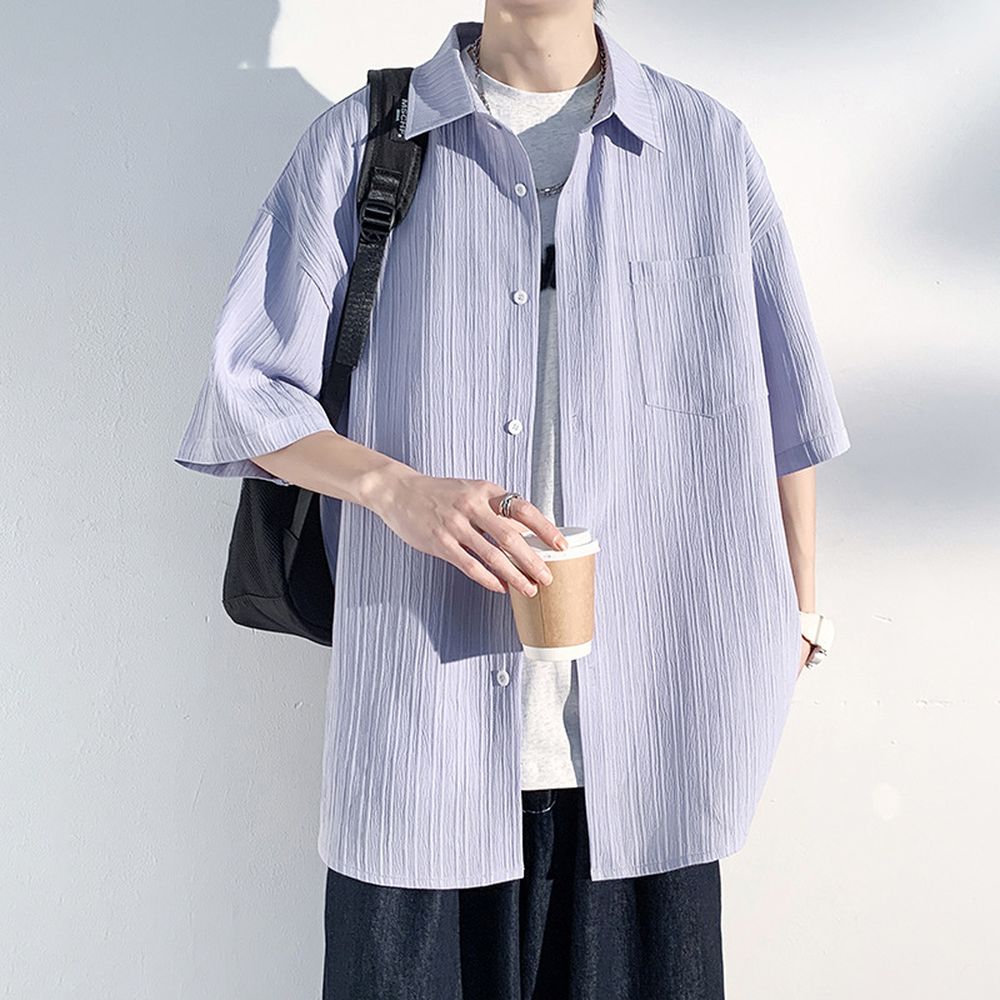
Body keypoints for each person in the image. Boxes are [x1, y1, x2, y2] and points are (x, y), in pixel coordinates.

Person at [174, 2, 851, 997]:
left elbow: (787, 415)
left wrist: (800, 615)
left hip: (651, 756)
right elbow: (246, 396)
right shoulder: (364, 144)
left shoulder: (705, 150)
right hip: (421, 747)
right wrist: (395, 490)